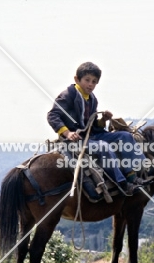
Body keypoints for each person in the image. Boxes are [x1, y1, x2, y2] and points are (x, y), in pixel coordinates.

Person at [47, 62, 147, 196]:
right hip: (76, 139)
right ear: (77, 79)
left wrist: (104, 120)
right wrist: (67, 133)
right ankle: (123, 183)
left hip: (92, 135)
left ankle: (133, 173)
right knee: (103, 147)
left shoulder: (93, 99)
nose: (90, 84)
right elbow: (53, 115)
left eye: (94, 82)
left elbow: (93, 125)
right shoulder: (69, 95)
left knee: (125, 136)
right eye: (87, 80)